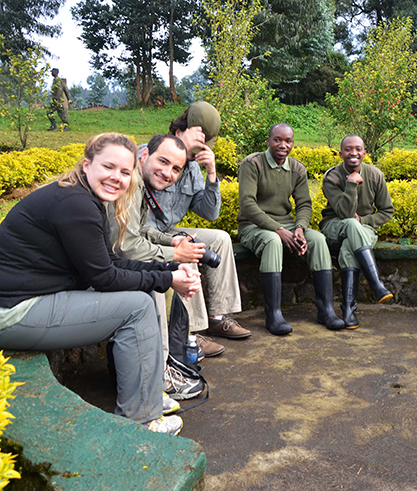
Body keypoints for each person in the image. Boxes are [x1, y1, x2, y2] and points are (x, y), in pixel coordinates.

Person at [0, 133, 202, 435]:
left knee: (142, 291)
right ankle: (142, 418)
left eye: (124, 171)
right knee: (137, 307)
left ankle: (149, 395)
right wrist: (168, 279)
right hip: (14, 310)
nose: (116, 178)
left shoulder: (83, 196)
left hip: (35, 295)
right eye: (108, 167)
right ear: (87, 164)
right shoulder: (76, 204)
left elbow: (108, 262)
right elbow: (104, 278)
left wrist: (170, 267)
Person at [109, 134, 209, 400]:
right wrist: (174, 253)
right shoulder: (129, 183)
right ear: (144, 156)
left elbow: (140, 229)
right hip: (86, 272)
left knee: (174, 263)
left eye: (176, 168)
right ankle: (159, 372)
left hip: (102, 263)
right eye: (162, 162)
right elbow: (126, 247)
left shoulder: (139, 184)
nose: (168, 173)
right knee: (158, 275)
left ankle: (179, 347)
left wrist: (171, 240)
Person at [143, 102, 251, 348]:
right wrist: (180, 145)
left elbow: (209, 213)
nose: (197, 152)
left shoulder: (191, 168)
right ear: (180, 132)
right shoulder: (153, 153)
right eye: (196, 145)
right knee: (188, 250)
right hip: (145, 235)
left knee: (221, 238)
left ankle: (217, 317)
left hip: (167, 232)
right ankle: (190, 332)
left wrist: (212, 173)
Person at [238, 123, 345, 334]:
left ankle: (326, 310)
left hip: (287, 225)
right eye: (277, 139)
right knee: (272, 241)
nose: (283, 145)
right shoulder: (251, 164)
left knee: (318, 240)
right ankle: (274, 315)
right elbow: (248, 205)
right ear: (268, 141)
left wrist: (299, 229)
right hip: (254, 225)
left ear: (293, 143)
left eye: (288, 141)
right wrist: (278, 229)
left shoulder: (297, 168)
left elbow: (304, 204)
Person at [319, 135, 395, 329]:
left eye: (358, 149)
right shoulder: (332, 177)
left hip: (365, 228)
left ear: (364, 153)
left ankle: (348, 309)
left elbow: (387, 210)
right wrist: (351, 183)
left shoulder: (375, 175)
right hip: (334, 225)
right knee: (352, 226)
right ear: (341, 153)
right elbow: (344, 214)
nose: (353, 153)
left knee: (348, 247)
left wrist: (364, 220)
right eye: (348, 149)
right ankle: (376, 284)